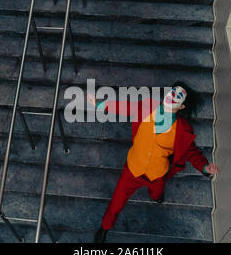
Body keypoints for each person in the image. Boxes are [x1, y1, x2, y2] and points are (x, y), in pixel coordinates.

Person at [87, 82, 219, 243]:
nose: (172, 96)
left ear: (182, 106)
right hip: (132, 170)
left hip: (157, 175)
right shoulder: (148, 106)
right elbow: (125, 107)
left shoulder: (183, 130)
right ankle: (104, 228)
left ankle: (156, 196)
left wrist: (205, 167)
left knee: (156, 192)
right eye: (173, 92)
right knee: (116, 202)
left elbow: (192, 152)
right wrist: (101, 105)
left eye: (178, 96)